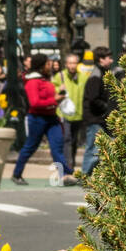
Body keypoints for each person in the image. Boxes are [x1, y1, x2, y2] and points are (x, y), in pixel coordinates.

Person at [11, 54, 75, 186]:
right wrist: (55, 100)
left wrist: (59, 96)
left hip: (52, 118)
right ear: (41, 66)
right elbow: (34, 103)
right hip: (37, 118)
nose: (50, 66)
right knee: (30, 146)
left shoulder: (45, 80)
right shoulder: (33, 82)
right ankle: (17, 174)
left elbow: (48, 97)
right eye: (47, 64)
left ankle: (65, 174)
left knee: (57, 147)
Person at [80, 45, 117, 179]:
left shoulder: (101, 73)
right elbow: (93, 99)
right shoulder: (96, 75)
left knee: (100, 148)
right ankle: (85, 175)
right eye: (109, 58)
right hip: (95, 118)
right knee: (94, 149)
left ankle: (90, 175)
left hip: (100, 118)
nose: (111, 60)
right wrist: (107, 110)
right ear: (101, 59)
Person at [55, 51, 86, 172]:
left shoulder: (83, 77)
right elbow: (53, 92)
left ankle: (70, 164)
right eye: (70, 63)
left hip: (78, 114)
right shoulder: (60, 76)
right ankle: (68, 166)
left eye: (75, 63)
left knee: (74, 141)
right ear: (66, 64)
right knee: (67, 139)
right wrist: (59, 89)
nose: (72, 65)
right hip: (64, 114)